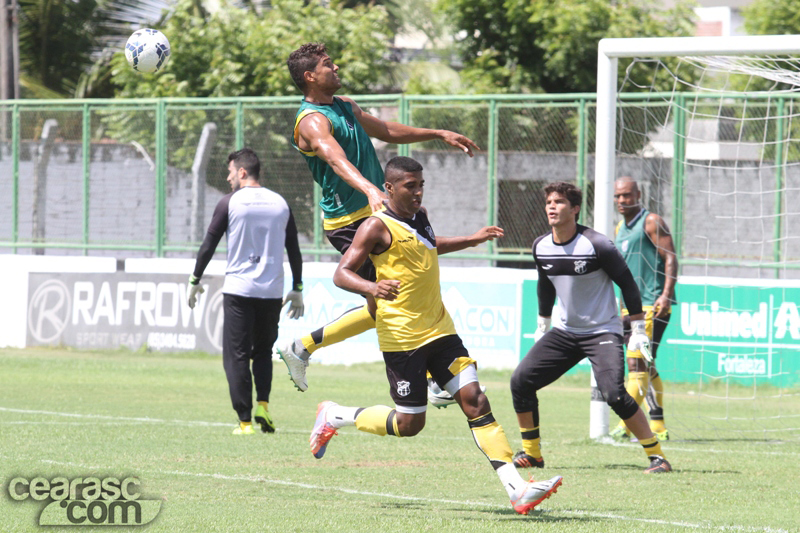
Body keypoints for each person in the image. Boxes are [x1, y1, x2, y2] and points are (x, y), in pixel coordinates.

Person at [308, 156, 563, 514]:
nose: (418, 192)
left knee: (476, 400)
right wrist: (372, 287)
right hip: (402, 339)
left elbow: (428, 245)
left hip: (440, 329)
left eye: (421, 185)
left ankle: (517, 489)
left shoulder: (420, 216)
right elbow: (341, 273)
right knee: (410, 424)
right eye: (410, 186)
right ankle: (335, 415)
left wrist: (471, 239)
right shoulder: (375, 227)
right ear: (389, 188)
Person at [278, 43, 479, 407]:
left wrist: (437, 133)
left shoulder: (345, 106)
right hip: (349, 220)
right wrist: (370, 189)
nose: (336, 67)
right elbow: (335, 159)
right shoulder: (311, 121)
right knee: (395, 296)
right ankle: (433, 377)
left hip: (377, 214)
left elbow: (386, 130)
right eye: (327, 64)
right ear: (310, 76)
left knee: (383, 302)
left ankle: (302, 347)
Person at [510, 182, 672, 474]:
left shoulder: (598, 245)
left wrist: (637, 329)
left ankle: (657, 456)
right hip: (564, 332)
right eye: (549, 202)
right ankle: (532, 454)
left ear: (575, 209)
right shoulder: (540, 246)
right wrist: (543, 324)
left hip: (602, 333)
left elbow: (628, 284)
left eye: (559, 202)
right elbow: (545, 284)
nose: (551, 206)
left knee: (614, 394)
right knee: (520, 381)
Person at [187, 148, 304, 435]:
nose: (228, 178)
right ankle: (263, 405)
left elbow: (209, 244)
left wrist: (195, 279)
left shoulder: (230, 202)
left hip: (239, 290)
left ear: (242, 172)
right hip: (271, 292)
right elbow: (294, 248)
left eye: (230, 172)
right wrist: (298, 287)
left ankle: (245, 422)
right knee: (262, 352)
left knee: (237, 355)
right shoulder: (280, 203)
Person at [609, 177, 678, 442]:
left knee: (636, 363)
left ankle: (625, 425)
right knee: (646, 365)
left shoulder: (651, 222)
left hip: (652, 305)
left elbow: (670, 257)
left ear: (638, 194)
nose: (622, 200)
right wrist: (620, 307)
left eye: (627, 195)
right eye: (618, 196)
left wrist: (666, 294)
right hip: (630, 308)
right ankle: (658, 425)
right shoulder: (619, 228)